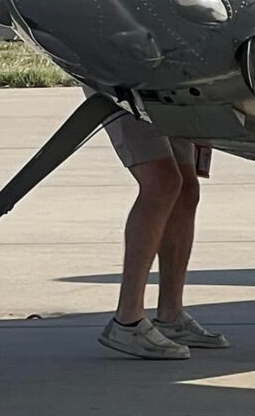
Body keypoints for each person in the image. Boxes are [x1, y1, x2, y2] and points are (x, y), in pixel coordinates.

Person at [89, 92, 229, 359]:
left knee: (187, 187)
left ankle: (171, 315)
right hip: (121, 77)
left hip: (166, 81)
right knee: (161, 181)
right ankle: (127, 320)